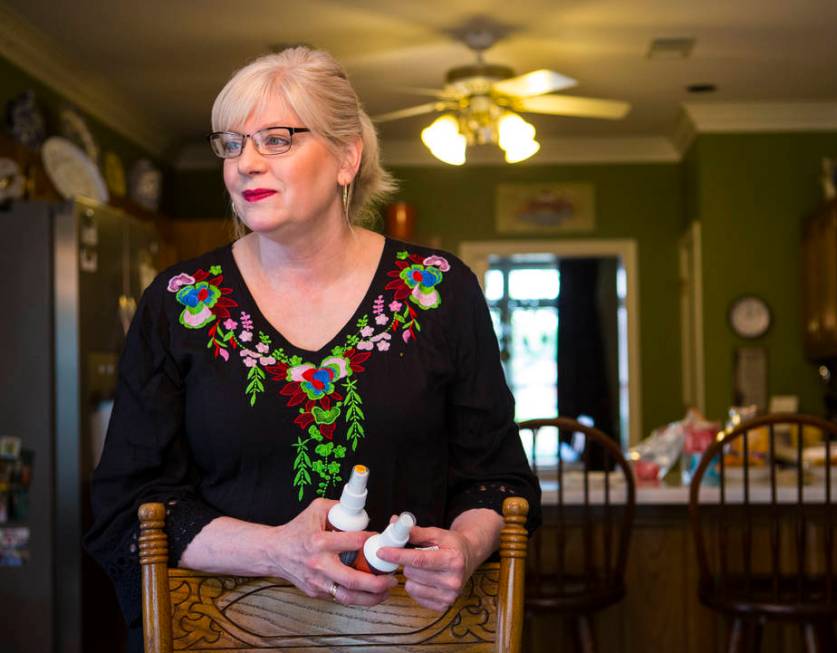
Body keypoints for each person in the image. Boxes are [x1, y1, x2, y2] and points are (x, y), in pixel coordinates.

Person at [85, 46, 541, 651]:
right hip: (230, 634)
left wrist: (465, 546)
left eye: (276, 140)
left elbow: (496, 481)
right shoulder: (178, 303)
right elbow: (130, 504)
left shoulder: (439, 291)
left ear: (347, 157)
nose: (244, 163)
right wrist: (277, 552)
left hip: (410, 634)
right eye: (231, 143)